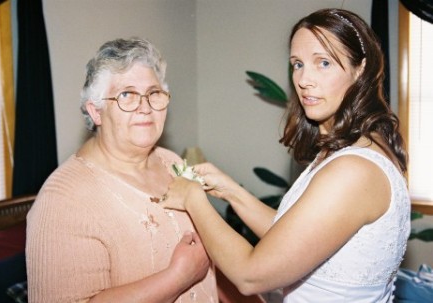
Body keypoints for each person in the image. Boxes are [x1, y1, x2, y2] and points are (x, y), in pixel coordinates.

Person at [161, 8, 411, 302]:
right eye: (297, 64)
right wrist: (231, 192)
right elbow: (294, 239)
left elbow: (250, 275)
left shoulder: (354, 170)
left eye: (324, 63)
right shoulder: (355, 149)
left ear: (361, 69)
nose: (304, 79)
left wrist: (193, 198)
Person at [26, 37, 219, 303]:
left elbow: (211, 266)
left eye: (154, 93)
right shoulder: (62, 200)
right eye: (126, 94)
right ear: (96, 112)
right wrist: (179, 276)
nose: (145, 106)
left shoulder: (171, 161)